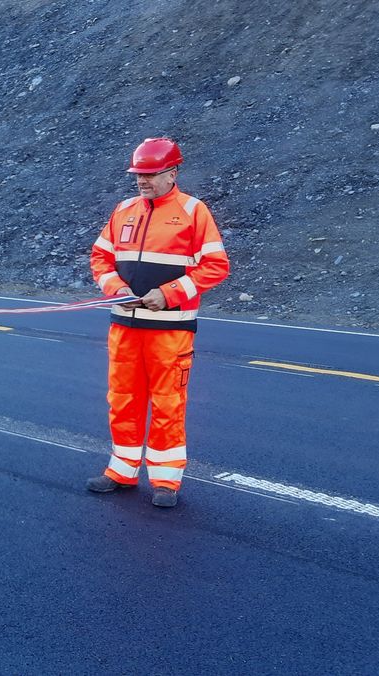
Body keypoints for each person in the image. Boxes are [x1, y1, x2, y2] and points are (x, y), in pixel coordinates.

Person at [85, 138, 230, 507]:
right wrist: (115, 288)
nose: (142, 181)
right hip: (124, 328)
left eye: (150, 174)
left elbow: (216, 266)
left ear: (172, 173)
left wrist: (168, 293)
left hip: (170, 332)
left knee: (168, 403)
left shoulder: (194, 212)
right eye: (139, 175)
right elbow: (101, 257)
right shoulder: (124, 210)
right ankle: (122, 470)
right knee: (122, 400)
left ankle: (166, 482)